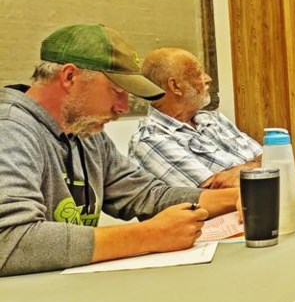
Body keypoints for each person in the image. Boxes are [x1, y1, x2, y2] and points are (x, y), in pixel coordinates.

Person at [0, 24, 239, 277]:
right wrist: (149, 236)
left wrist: (237, 196)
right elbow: (8, 240)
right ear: (69, 76)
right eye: (117, 91)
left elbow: (146, 195)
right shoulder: (10, 130)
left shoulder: (86, 133)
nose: (123, 107)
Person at [128, 47, 295, 189]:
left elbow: (269, 158)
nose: (207, 78)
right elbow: (213, 195)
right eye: (197, 73)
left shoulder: (213, 119)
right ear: (175, 86)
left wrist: (241, 171)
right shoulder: (151, 140)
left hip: (268, 203)